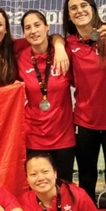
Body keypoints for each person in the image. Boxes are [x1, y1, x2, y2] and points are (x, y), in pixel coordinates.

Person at [62, 0, 106, 208]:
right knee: (86, 179)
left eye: (83, 5)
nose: (79, 11)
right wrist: (59, 44)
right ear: (68, 16)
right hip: (84, 122)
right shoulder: (68, 44)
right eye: (73, 8)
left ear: (93, 8)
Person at [18, 10, 75, 182]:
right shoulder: (20, 58)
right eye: (28, 28)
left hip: (63, 136)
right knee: (37, 187)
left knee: (64, 188)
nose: (33, 31)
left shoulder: (64, 54)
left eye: (37, 25)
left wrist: (59, 45)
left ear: (47, 27)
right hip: (33, 137)